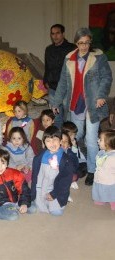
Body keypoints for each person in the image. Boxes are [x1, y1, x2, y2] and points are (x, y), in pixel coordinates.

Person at [53, 27, 112, 186]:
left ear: (90, 41)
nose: (84, 46)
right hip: (75, 103)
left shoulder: (99, 57)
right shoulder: (69, 58)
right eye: (80, 43)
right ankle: (78, 162)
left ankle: (93, 171)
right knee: (74, 137)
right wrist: (56, 101)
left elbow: (107, 78)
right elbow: (63, 83)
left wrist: (101, 95)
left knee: (91, 139)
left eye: (86, 42)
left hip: (93, 104)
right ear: (76, 43)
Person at [29, 126, 74, 216]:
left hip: (56, 189)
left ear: (60, 141)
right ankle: (38, 201)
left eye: (55, 140)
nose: (52, 143)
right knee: (35, 207)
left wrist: (54, 194)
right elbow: (35, 176)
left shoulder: (66, 160)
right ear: (44, 143)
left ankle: (57, 200)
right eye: (48, 141)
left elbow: (65, 181)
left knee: (56, 212)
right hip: (41, 187)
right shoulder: (39, 157)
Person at [0, 148, 31, 221]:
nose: (0, 167)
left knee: (33, 208)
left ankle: (16, 207)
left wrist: (24, 203)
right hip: (1, 204)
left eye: (3, 163)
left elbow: (24, 189)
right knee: (13, 216)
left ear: (7, 163)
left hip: (16, 200)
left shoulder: (15, 173)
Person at [43, 24, 76, 128]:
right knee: (56, 117)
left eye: (57, 33)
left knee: (68, 117)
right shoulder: (49, 49)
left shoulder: (72, 48)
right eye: (53, 34)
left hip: (67, 88)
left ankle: (69, 140)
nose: (55, 36)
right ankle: (57, 140)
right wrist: (46, 81)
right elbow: (47, 67)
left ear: (63, 34)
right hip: (53, 88)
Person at [92, 130, 115, 210]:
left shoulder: (113, 157)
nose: (98, 141)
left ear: (108, 143)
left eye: (100, 140)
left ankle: (113, 201)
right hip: (100, 178)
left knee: (110, 190)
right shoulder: (101, 152)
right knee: (100, 188)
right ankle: (101, 198)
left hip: (110, 181)